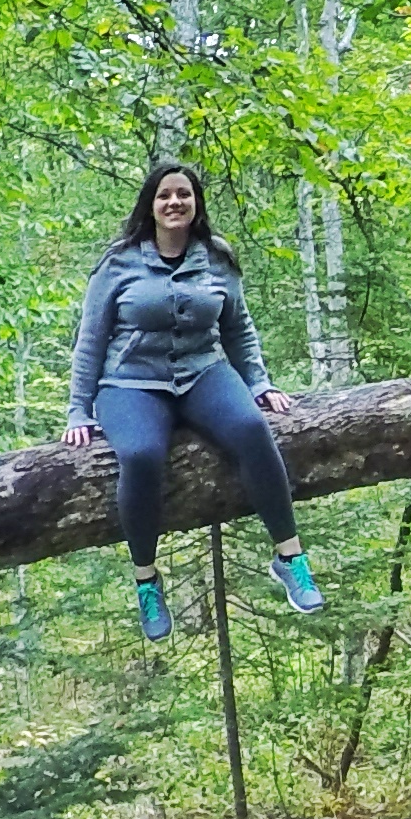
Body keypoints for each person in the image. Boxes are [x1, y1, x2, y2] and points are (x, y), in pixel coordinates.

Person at [63, 162, 322, 640]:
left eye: (184, 194)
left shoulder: (217, 258)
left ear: (196, 202)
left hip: (205, 372)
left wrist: (259, 382)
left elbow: (238, 328)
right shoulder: (119, 262)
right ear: (151, 205)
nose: (175, 203)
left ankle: (290, 557)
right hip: (130, 384)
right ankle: (146, 580)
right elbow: (91, 339)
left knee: (250, 428)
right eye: (165, 196)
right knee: (140, 455)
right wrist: (78, 408)